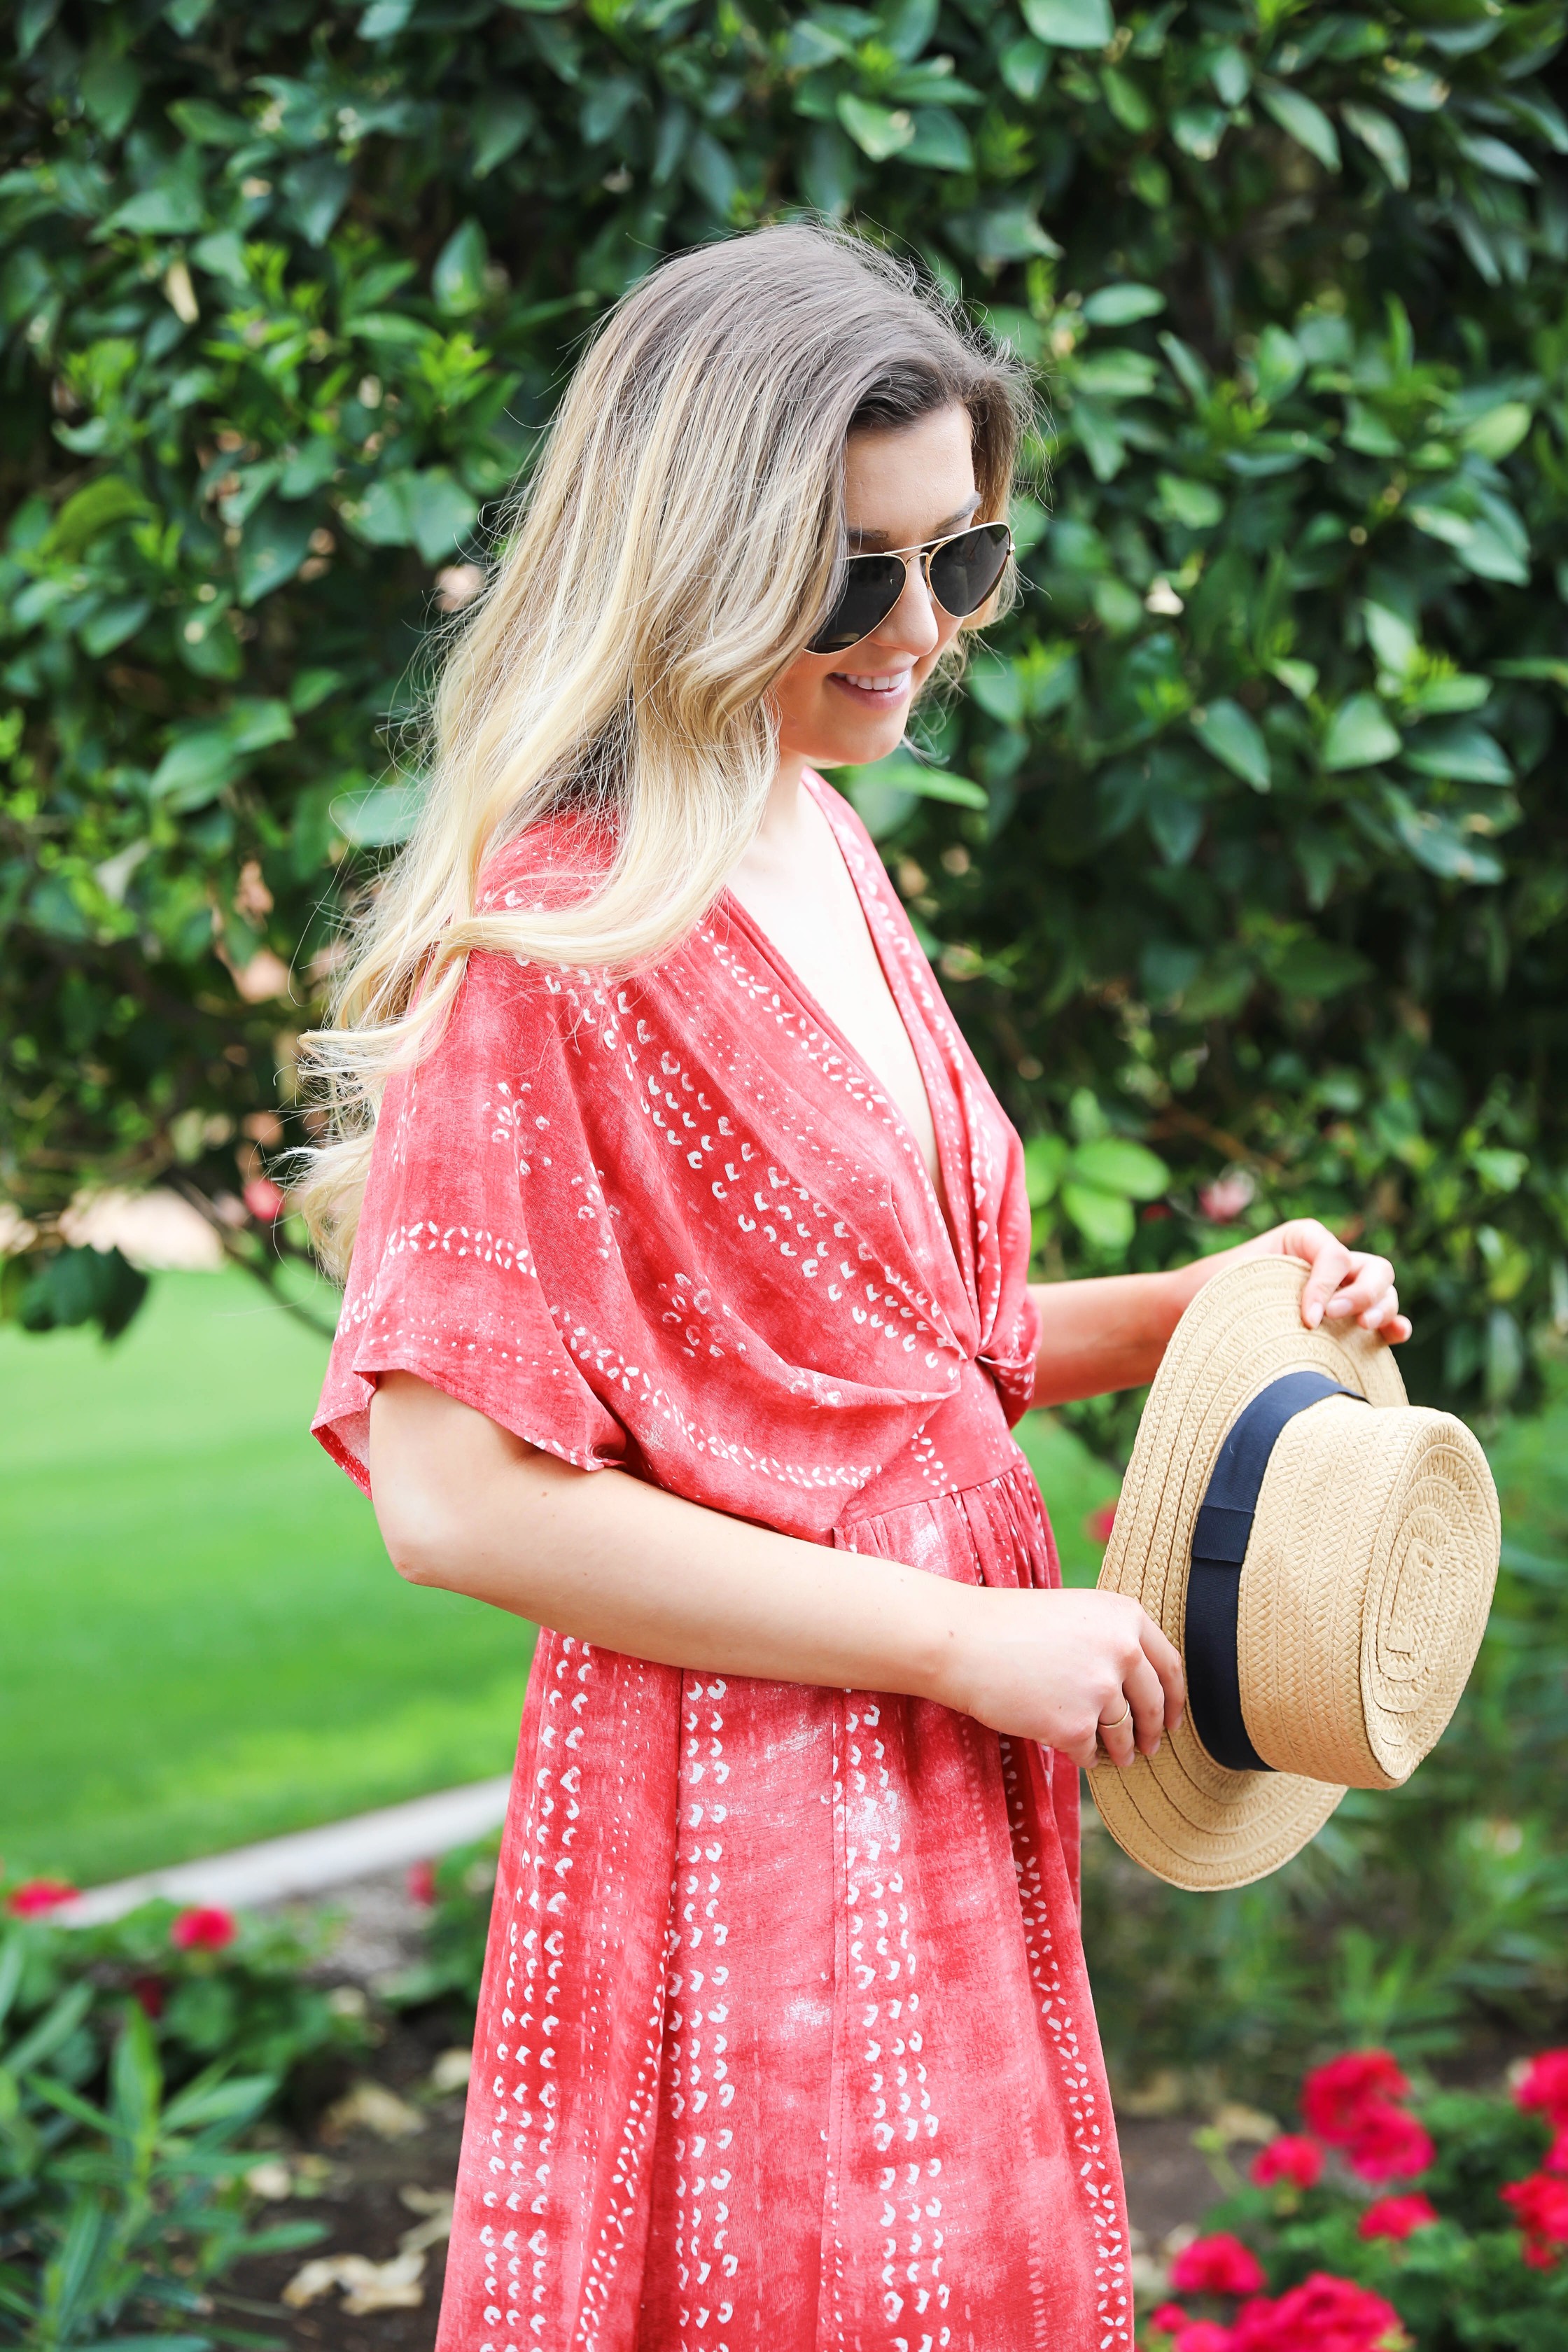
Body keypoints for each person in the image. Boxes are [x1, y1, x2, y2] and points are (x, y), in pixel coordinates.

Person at [300, 225, 1407, 2352]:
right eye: (850, 581)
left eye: (959, 564)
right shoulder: (550, 939)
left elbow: (896, 1367)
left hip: (934, 1752)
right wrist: (963, 1639)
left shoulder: (812, 828)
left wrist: (1203, 1308)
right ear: (698, 565)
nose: (918, 634)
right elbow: (454, 1501)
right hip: (750, 1801)